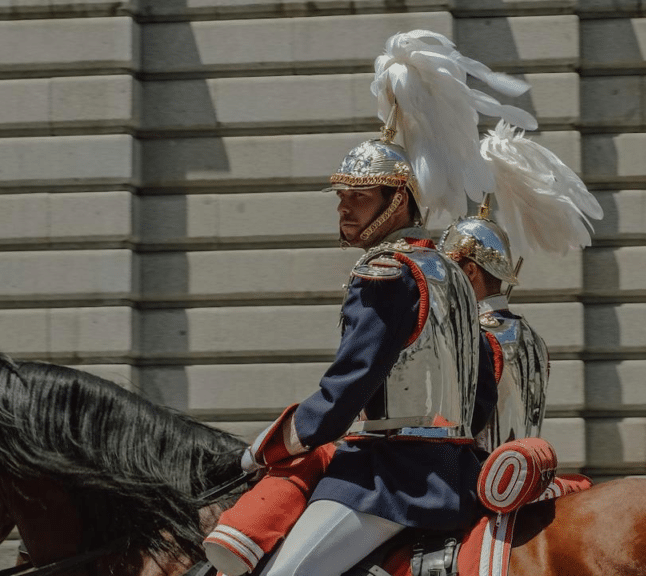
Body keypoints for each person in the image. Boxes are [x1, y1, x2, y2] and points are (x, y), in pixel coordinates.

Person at [204, 29, 536, 576]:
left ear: (397, 199)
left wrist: (264, 448)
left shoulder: (386, 272)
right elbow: (477, 391)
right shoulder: (449, 272)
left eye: (359, 199)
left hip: (391, 478)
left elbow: (348, 386)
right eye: (341, 199)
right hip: (451, 472)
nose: (345, 212)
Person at [440, 201, 550, 453]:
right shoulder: (532, 336)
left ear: (469, 271)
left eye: (449, 272)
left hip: (480, 480)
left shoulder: (474, 336)